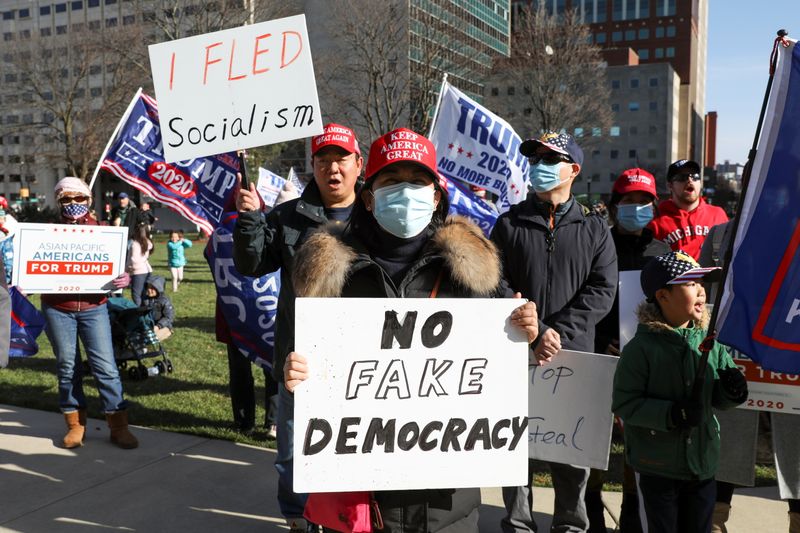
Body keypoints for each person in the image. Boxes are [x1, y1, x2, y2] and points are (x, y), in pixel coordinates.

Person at [284, 127, 539, 532]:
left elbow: (502, 362)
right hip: (361, 496)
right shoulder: (328, 274)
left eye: (418, 183)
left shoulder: (475, 276)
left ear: (435, 195)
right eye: (391, 182)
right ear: (369, 196)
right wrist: (299, 373)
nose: (406, 192)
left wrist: (529, 332)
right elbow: (313, 361)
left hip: (446, 499)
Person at [233, 123, 363, 533]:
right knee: (293, 450)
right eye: (323, 160)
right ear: (313, 168)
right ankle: (297, 518)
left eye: (341, 158)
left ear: (358, 164)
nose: (332, 169)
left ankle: (350, 519)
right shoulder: (288, 217)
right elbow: (251, 265)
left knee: (354, 445)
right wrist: (251, 221)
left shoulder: (378, 217)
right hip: (299, 362)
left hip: (361, 360)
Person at [491, 131, 618, 533]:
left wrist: (556, 332)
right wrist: (535, 330)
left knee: (571, 453)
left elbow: (602, 290)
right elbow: (492, 281)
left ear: (573, 170)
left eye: (550, 159)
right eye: (535, 158)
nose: (539, 166)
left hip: (572, 358)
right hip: (515, 353)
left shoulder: (595, 229)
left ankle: (570, 525)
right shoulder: (508, 224)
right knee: (514, 449)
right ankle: (517, 525)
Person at [612, 250, 748, 533]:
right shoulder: (641, 349)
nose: (700, 291)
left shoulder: (712, 343)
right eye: (690, 284)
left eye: (701, 283)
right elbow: (626, 403)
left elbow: (719, 399)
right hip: (657, 466)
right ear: (663, 296)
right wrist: (671, 414)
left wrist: (732, 391)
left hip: (702, 465)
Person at [699, 221, 800, 533]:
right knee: (727, 444)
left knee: (797, 452)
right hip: (735, 356)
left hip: (790, 361)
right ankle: (713, 523)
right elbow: (701, 293)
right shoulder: (720, 235)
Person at [587, 167, 671, 533]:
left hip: (646, 363)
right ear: (613, 205)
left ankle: (633, 513)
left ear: (654, 206)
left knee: (638, 443)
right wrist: (600, 340)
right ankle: (591, 510)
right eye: (629, 201)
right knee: (594, 441)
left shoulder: (663, 252)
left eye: (644, 202)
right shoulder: (597, 244)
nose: (636, 208)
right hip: (602, 355)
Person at [41, 177, 138, 449]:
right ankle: (75, 425)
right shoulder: (47, 232)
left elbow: (119, 267)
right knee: (67, 367)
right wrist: (28, 276)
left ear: (89, 200)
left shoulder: (103, 231)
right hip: (58, 308)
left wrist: (124, 278)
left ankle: (118, 425)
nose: (73, 204)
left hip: (95, 308)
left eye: (79, 198)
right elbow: (35, 261)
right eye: (66, 199)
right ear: (58, 202)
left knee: (106, 367)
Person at [649, 159, 728, 260]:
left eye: (695, 177)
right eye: (682, 178)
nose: (690, 180)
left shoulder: (718, 214)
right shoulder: (657, 219)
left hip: (712, 275)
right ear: (670, 185)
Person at [141, 275, 174, 342]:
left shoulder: (165, 301)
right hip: (149, 325)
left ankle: (168, 332)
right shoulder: (145, 299)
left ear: (158, 289)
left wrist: (158, 326)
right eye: (148, 288)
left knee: (151, 338)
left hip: (162, 326)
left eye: (152, 288)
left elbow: (168, 317)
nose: (149, 290)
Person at [126, 224, 153, 305]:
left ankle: (139, 312)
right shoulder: (147, 243)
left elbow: (134, 260)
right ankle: (147, 310)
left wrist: (128, 269)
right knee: (144, 293)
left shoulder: (135, 244)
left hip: (138, 272)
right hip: (147, 270)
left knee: (136, 294)